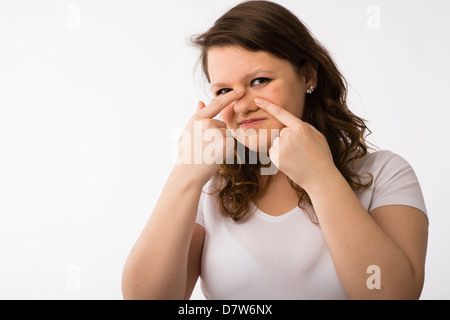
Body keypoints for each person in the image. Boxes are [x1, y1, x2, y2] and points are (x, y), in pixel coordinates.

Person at [122, 0, 428, 300]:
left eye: (259, 80)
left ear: (308, 75)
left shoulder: (385, 173)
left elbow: (393, 295)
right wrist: (185, 175)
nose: (242, 105)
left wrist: (322, 179)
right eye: (224, 91)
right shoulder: (209, 186)